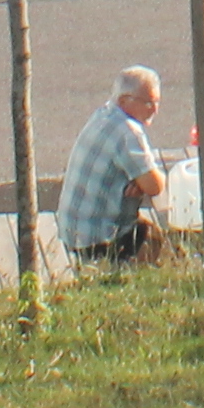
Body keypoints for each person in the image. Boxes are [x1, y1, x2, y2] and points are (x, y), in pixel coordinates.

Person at [58, 64, 172, 263]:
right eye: (147, 103)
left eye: (157, 102)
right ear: (123, 100)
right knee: (164, 249)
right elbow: (155, 186)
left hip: (73, 229)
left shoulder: (103, 115)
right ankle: (129, 280)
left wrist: (139, 178)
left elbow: (143, 177)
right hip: (97, 239)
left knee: (154, 236)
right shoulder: (127, 133)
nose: (154, 109)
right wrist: (147, 177)